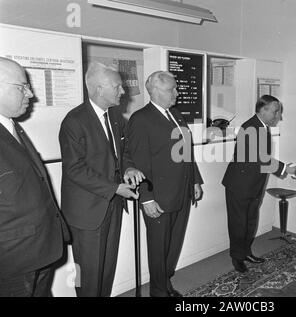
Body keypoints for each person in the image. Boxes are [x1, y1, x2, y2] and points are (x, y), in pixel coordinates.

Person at [59, 62, 145, 297]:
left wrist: (128, 169)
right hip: (86, 212)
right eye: (117, 86)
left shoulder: (115, 116)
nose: (123, 91)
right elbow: (75, 169)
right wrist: (115, 187)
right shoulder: (74, 121)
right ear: (99, 89)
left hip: (112, 206)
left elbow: (123, 152)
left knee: (107, 269)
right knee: (88, 275)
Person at [127, 71, 203, 297]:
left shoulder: (175, 115)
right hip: (158, 197)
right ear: (156, 91)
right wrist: (146, 197)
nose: (177, 93)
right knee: (159, 248)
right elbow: (138, 162)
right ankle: (158, 292)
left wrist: (196, 180)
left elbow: (186, 152)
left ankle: (166, 283)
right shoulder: (141, 119)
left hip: (182, 191)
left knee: (173, 244)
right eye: (172, 89)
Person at [0, 57, 68, 296]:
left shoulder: (12, 126)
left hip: (38, 248)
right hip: (11, 260)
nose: (30, 94)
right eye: (22, 87)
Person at [222, 95, 296, 273]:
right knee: (238, 223)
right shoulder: (250, 127)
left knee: (250, 222)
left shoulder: (262, 127)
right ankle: (237, 257)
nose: (278, 116)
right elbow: (260, 158)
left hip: (253, 183)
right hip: (239, 185)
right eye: (275, 111)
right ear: (262, 110)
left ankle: (246, 252)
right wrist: (286, 168)